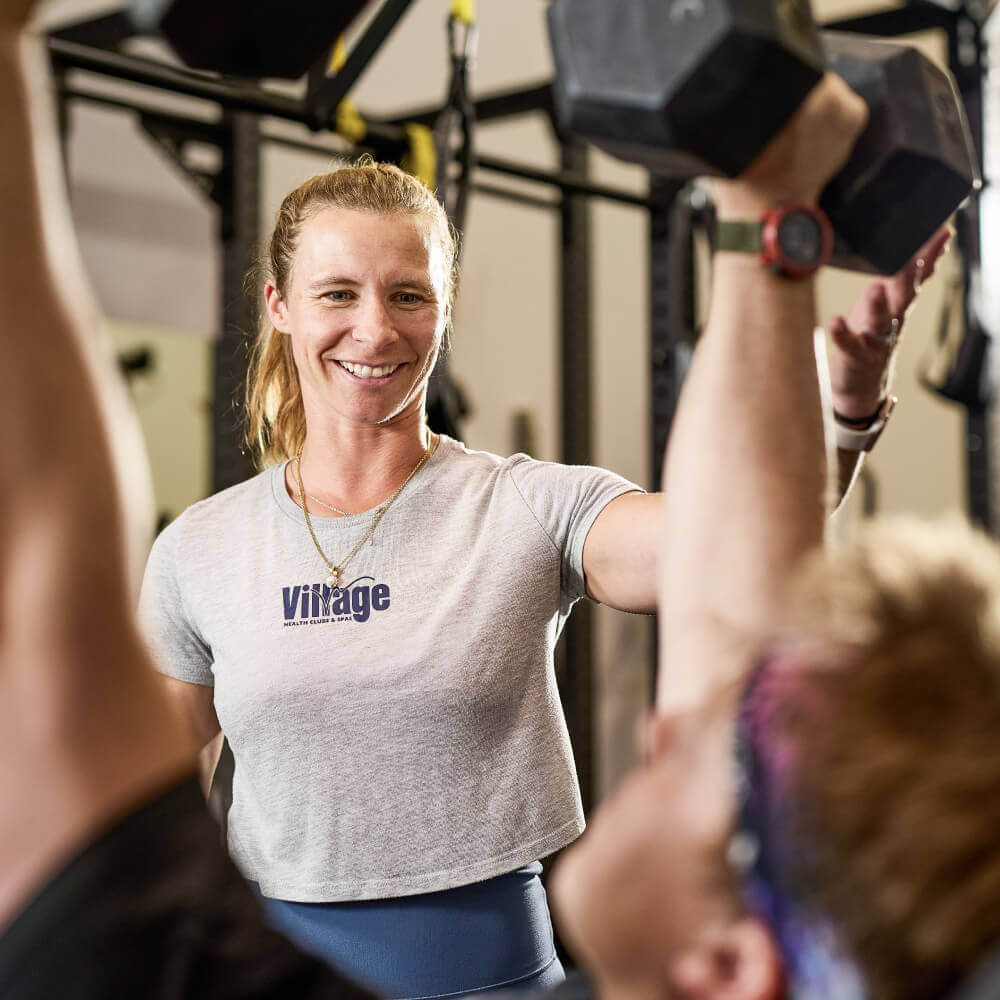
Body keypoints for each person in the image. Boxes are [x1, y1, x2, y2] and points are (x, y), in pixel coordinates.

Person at [0, 4, 944, 1000]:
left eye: (409, 294)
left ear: (444, 309)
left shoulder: (525, 505)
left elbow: (717, 558)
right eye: (336, 293)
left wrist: (837, 413)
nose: (375, 327)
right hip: (269, 963)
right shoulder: (199, 549)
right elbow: (157, 793)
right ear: (277, 305)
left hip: (495, 972)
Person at [547, 54, 1000, 1000]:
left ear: (726, 964)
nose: (651, 732)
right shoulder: (775, 932)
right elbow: (726, 629)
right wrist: (770, 215)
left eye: (694, 755)